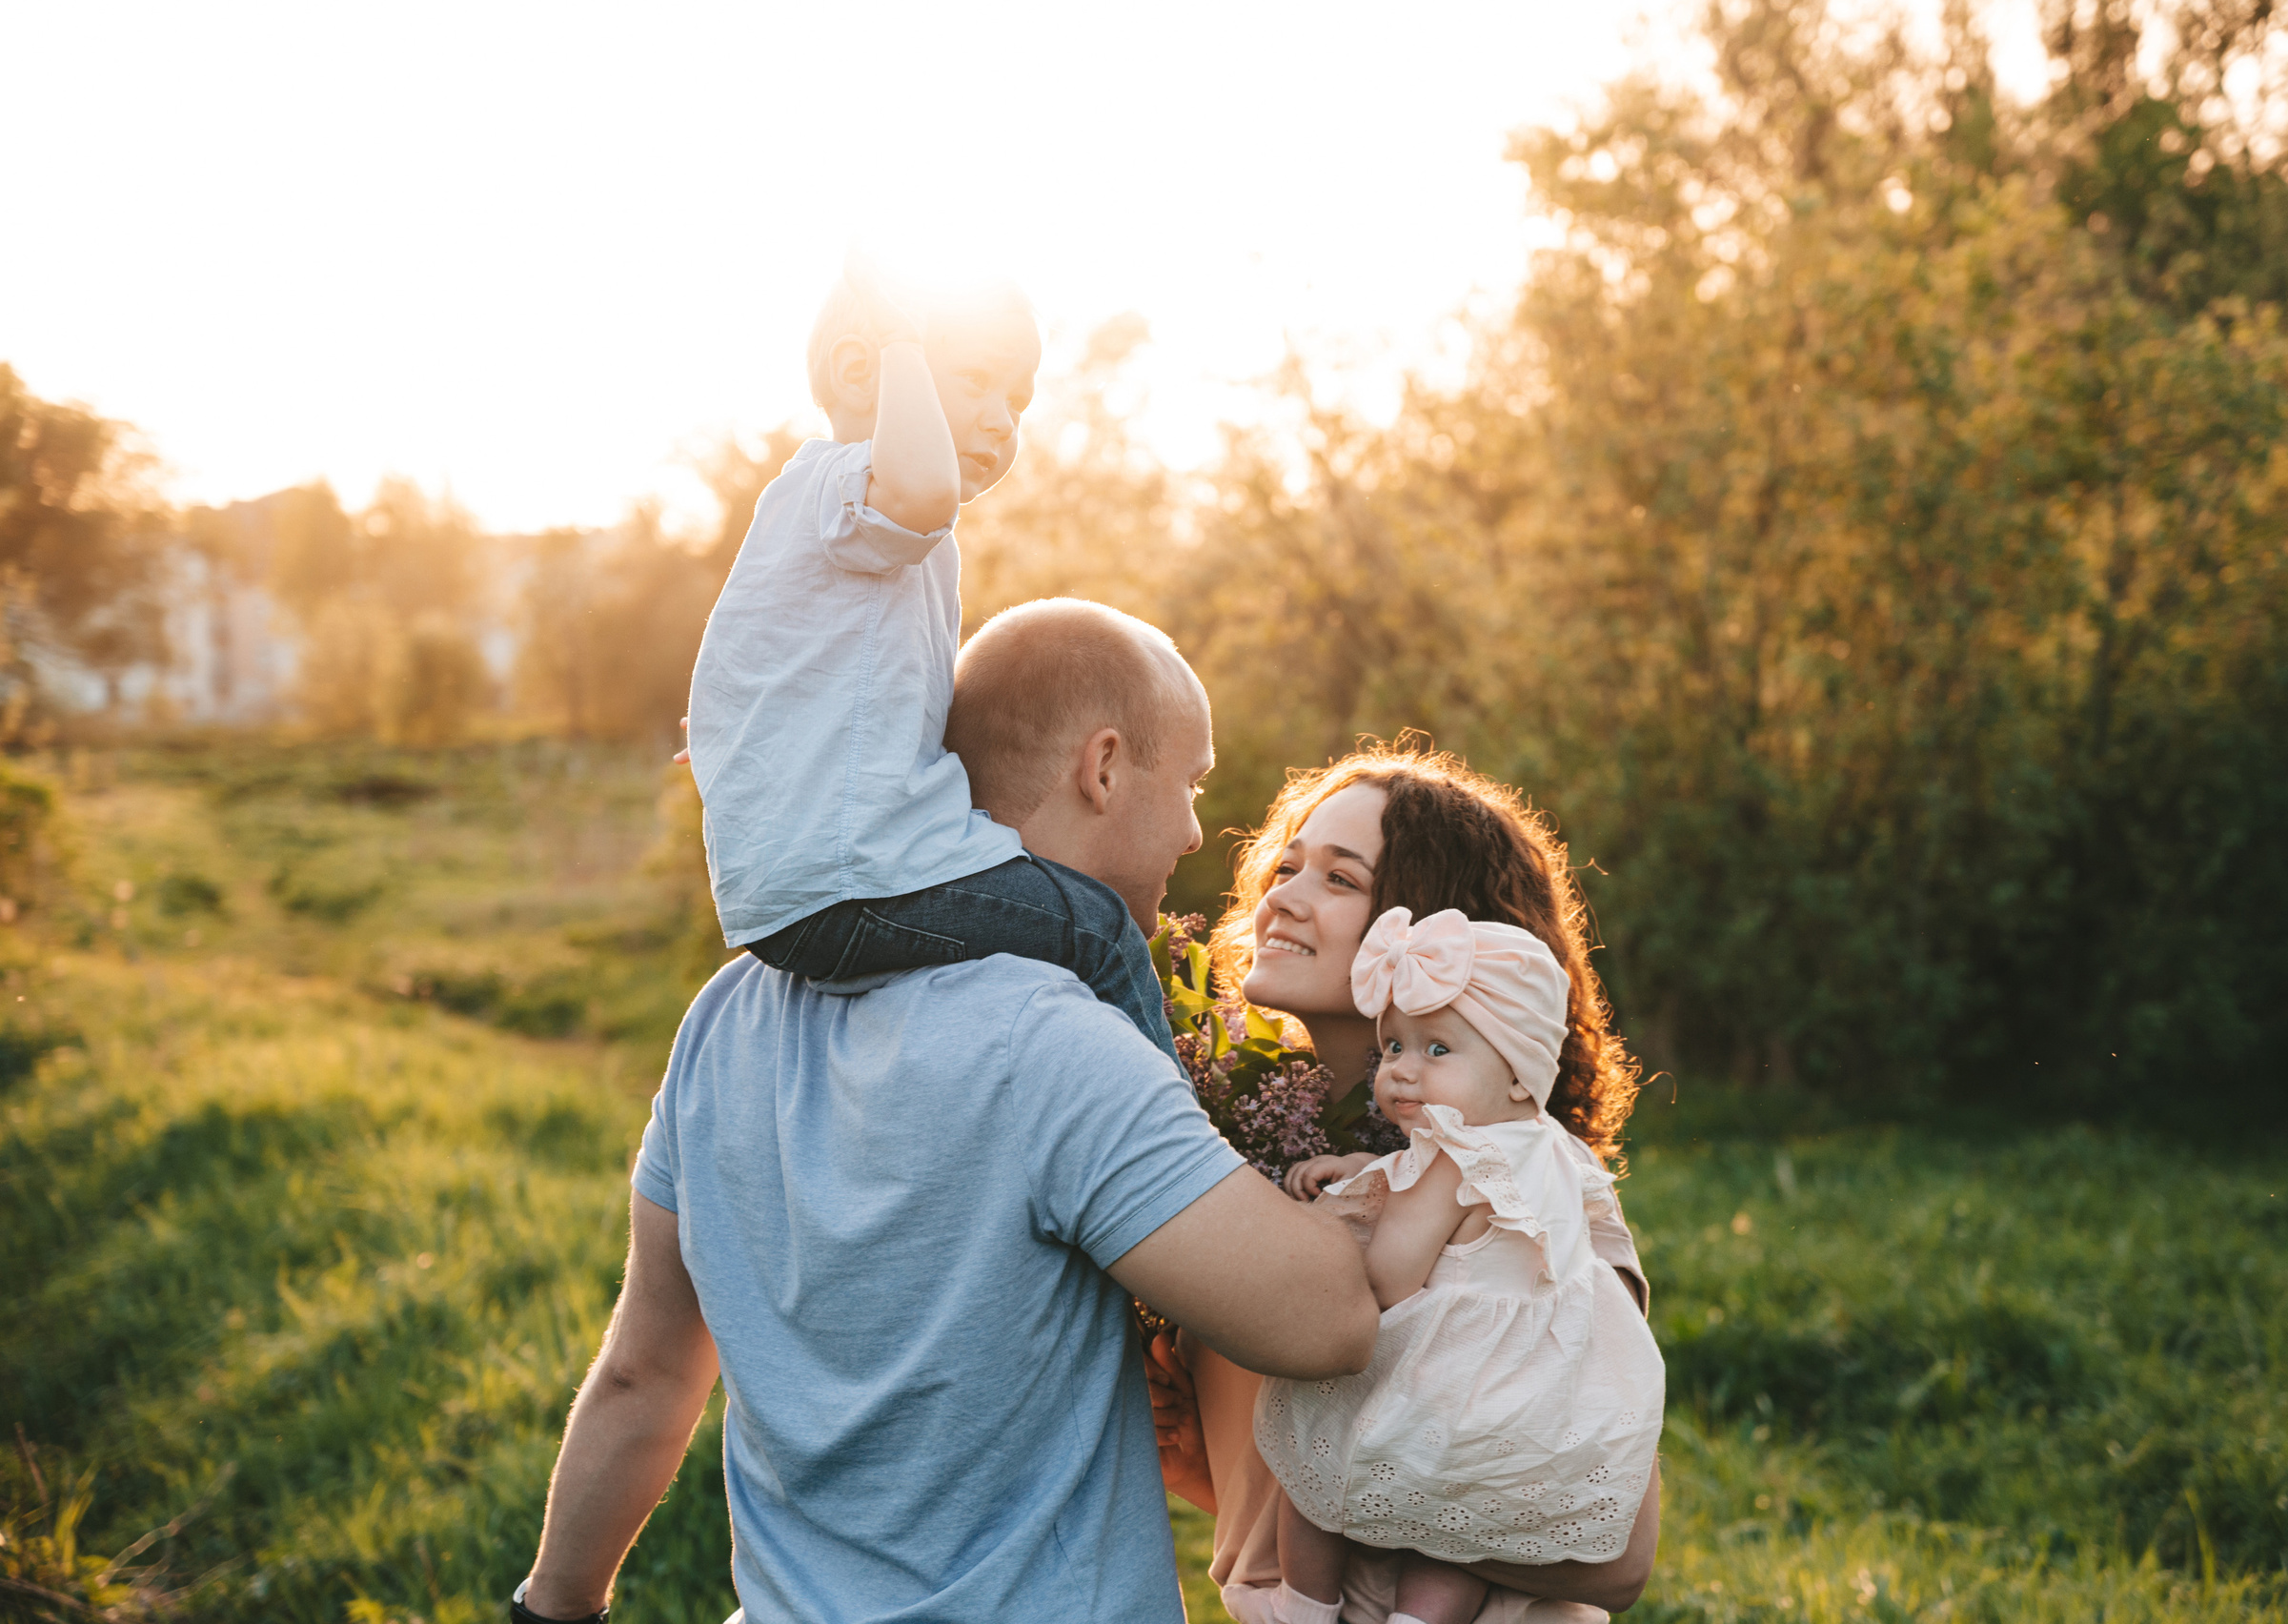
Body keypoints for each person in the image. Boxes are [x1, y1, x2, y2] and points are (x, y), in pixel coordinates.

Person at [511, 600, 1380, 1624]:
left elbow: (644, 1374)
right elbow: (1324, 1323)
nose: (1196, 829)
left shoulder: (729, 1011)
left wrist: (552, 1607)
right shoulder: (1051, 1043)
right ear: (1102, 769)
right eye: (1190, 783)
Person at [1148, 742, 1660, 1624]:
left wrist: (1347, 1492)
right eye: (1287, 866)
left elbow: (1617, 1561)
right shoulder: (1247, 1148)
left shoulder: (1520, 1194)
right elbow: (1272, 1499)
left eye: (1339, 879)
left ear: (1439, 940)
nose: (1283, 896)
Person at [682, 254, 1173, 1057]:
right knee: (1100, 931)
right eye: (975, 381)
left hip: (812, 891)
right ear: (861, 372)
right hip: (859, 880)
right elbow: (920, 489)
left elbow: (757, 665)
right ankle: (1179, 1133)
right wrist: (903, 346)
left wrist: (735, 734)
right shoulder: (854, 487)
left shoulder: (814, 515)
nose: (1001, 421)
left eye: (1017, 401)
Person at [1258, 907, 1667, 1624]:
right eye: (1393, 1046)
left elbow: (1391, 1277)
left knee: (1314, 1468)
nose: (1403, 1069)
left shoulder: (1455, 1157)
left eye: (1438, 1049)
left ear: (1519, 1077)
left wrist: (1344, 1221)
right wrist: (1377, 1168)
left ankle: (1301, 1607)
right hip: (1531, 1408)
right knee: (1455, 1542)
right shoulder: (1555, 1150)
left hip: (1444, 1385)